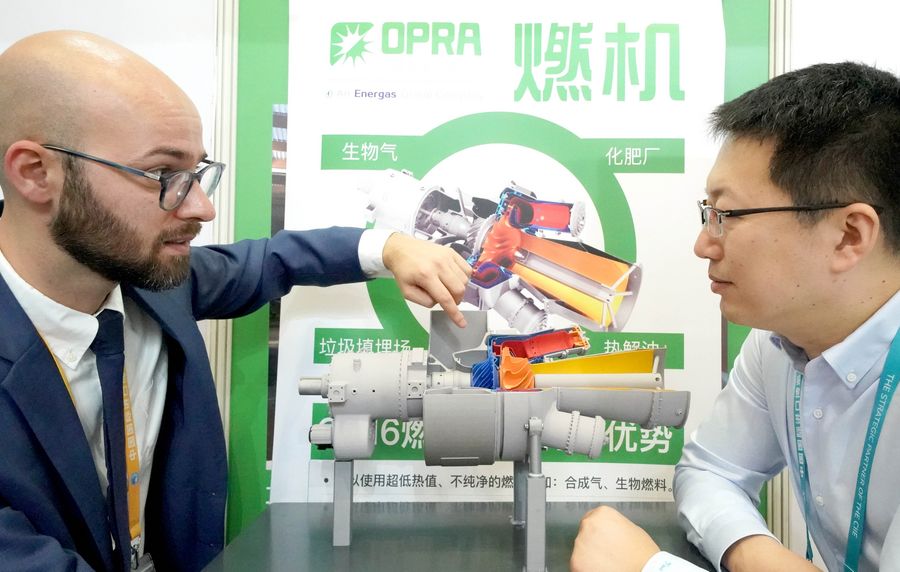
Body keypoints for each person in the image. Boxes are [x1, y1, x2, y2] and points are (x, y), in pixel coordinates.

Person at [0, 31, 472, 571]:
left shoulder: (151, 281)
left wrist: (388, 246)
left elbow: (268, 262)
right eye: (163, 175)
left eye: (198, 174)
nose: (202, 208)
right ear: (36, 172)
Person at [571, 61, 900, 572]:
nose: (704, 244)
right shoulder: (779, 345)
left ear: (848, 235)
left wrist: (650, 568)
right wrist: (760, 555)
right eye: (709, 214)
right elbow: (710, 470)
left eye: (727, 216)